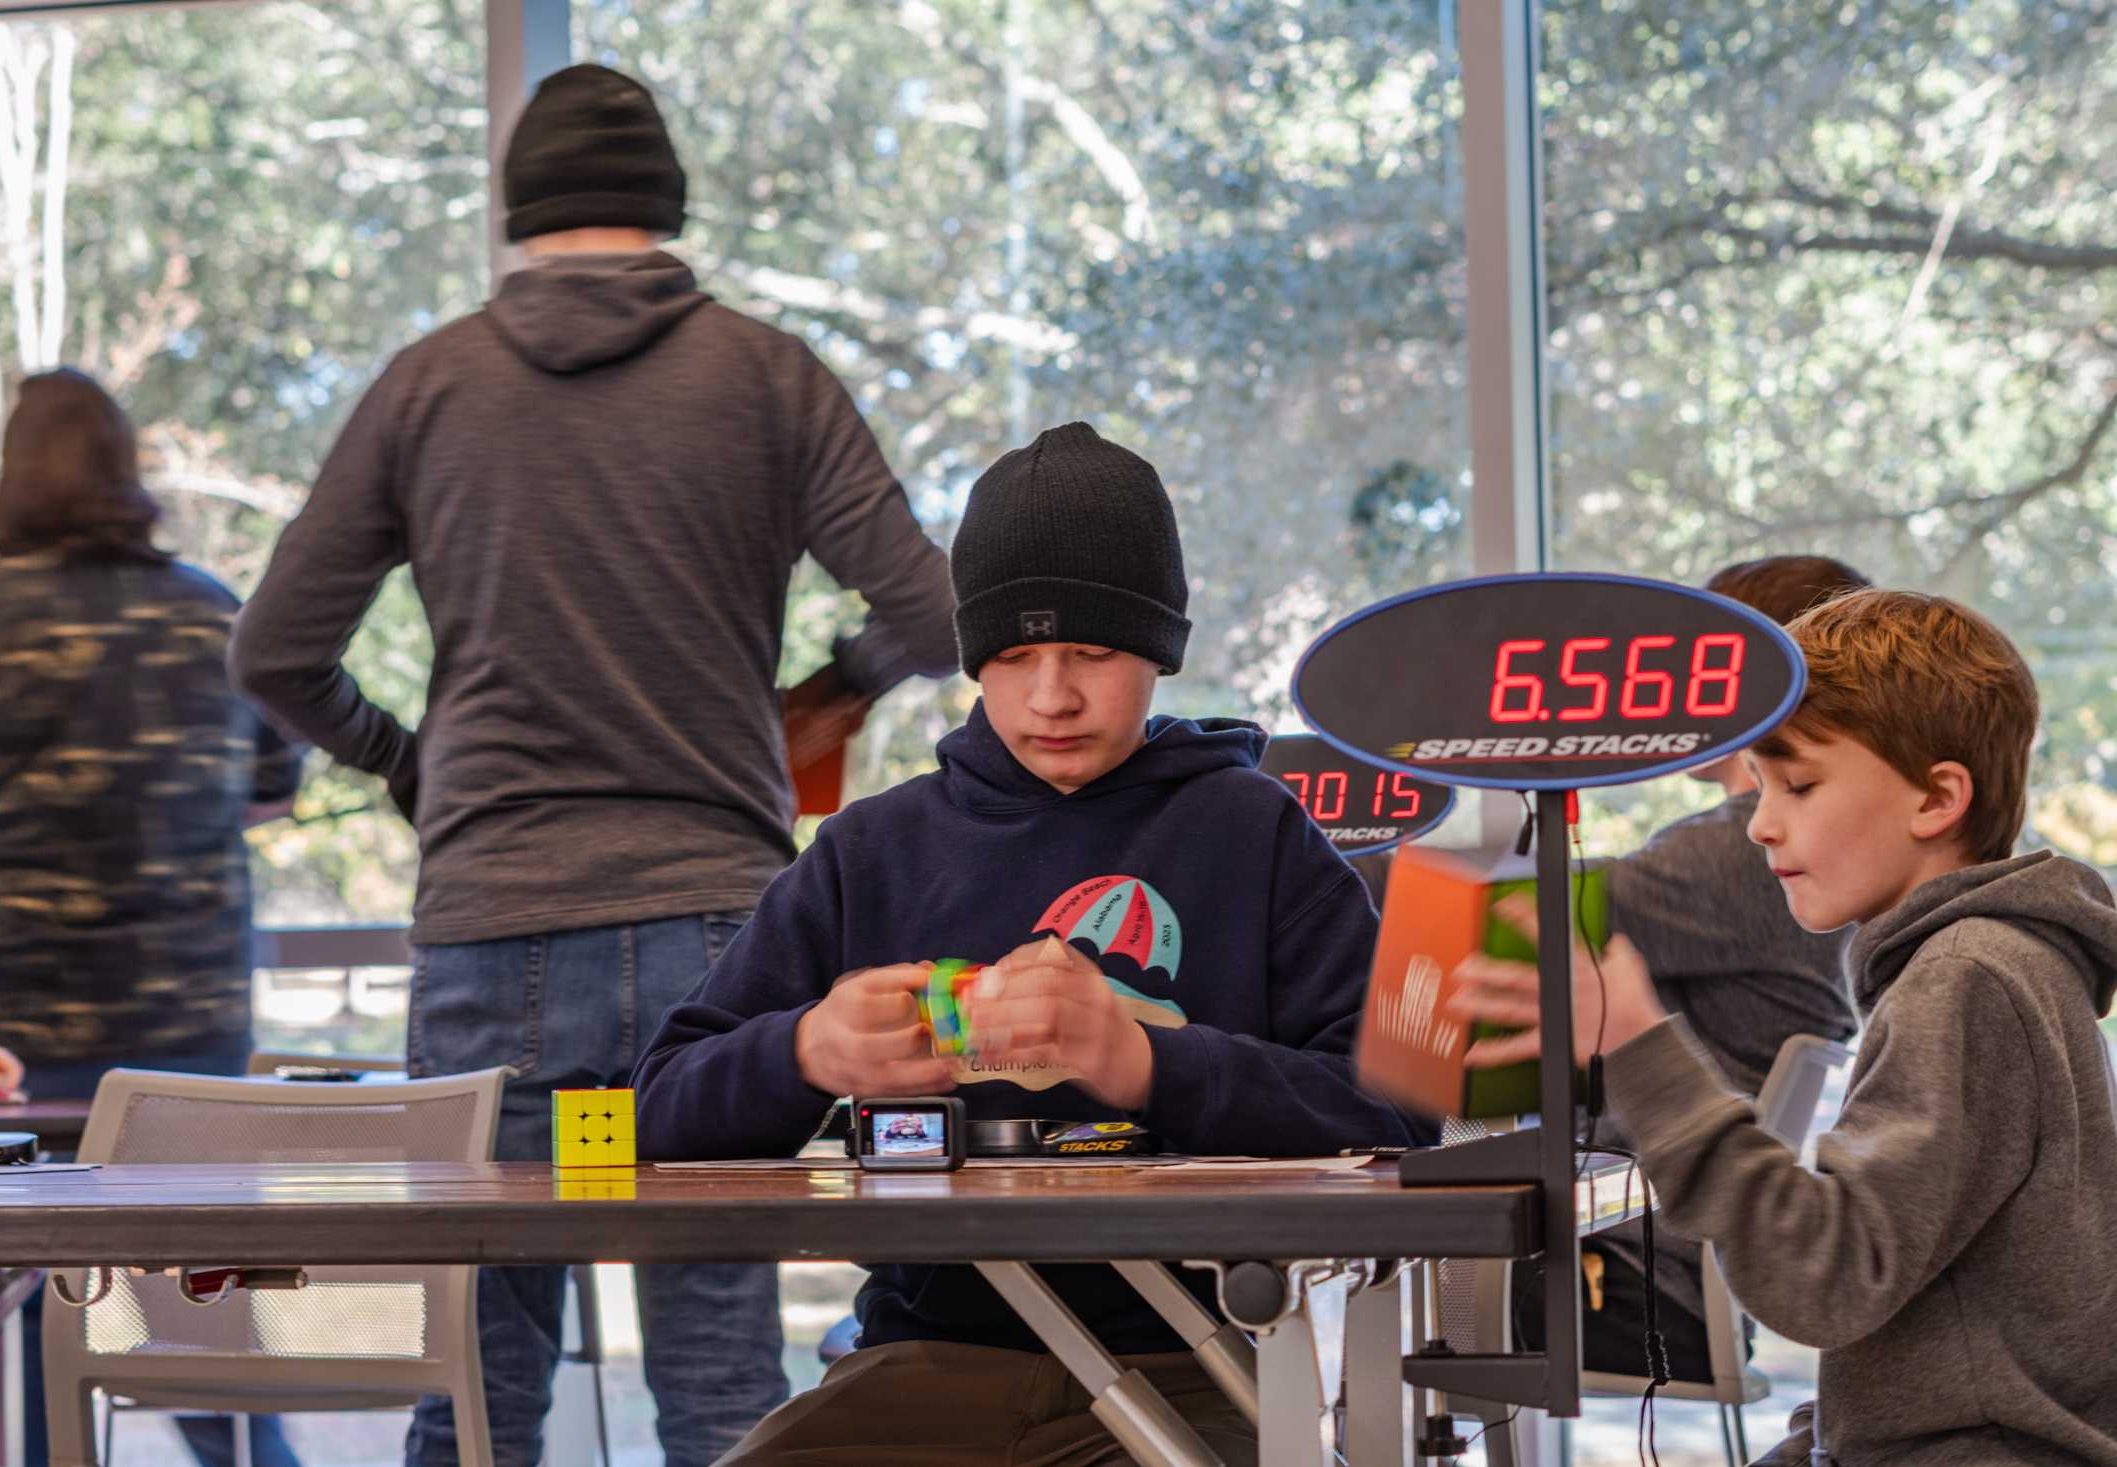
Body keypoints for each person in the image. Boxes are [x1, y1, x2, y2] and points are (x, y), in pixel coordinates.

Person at [228, 63, 960, 1467]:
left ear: (518, 214)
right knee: (722, 1383)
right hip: (718, 929)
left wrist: (408, 762)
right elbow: (932, 608)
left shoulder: (427, 385)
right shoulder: (767, 375)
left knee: (480, 1384)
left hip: (492, 923)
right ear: (667, 208)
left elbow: (273, 650)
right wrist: (827, 691)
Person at [633, 422, 1435, 1466]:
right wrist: (805, 1054)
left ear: (1158, 650)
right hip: (926, 1362)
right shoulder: (870, 850)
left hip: (1204, 1361)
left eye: (1092, 653)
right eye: (1011, 657)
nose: (1050, 695)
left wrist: (1147, 1063)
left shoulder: (1256, 833)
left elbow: (1401, 1112)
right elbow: (652, 1112)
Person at [1455, 588, 2117, 1465]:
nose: (1764, 824)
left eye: (1799, 785)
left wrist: (1642, 1048)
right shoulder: (1988, 964)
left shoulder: (1967, 978)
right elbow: (1915, 1324)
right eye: (1761, 786)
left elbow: (1822, 1278)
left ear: (1936, 798)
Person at [0, 368, 304, 1467]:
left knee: (36, 1298)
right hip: (192, 1028)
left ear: (10, 479)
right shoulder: (211, 615)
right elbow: (276, 788)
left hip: (17, 1044)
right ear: (128, 473)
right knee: (204, 1305)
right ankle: (249, 1448)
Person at [1510, 554, 1869, 1380]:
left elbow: (1538, 914)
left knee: (1378, 1298)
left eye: (1692, 665)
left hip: (1636, 1271)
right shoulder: (1785, 848)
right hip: (1675, 1266)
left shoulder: (1743, 850)